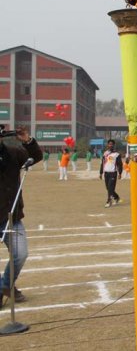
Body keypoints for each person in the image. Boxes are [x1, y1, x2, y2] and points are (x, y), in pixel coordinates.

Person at [0, 126, 42, 308]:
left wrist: (27, 141)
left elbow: (35, 157)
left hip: (11, 216)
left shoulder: (13, 153)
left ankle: (6, 286)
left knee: (20, 254)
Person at [99, 139, 123, 208]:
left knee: (110, 188)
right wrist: (101, 173)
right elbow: (102, 164)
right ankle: (116, 197)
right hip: (106, 173)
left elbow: (120, 164)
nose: (110, 145)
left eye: (112, 144)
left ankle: (109, 201)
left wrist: (120, 173)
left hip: (113, 173)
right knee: (108, 188)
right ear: (107, 145)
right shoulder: (105, 153)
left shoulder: (116, 154)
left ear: (114, 145)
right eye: (109, 144)